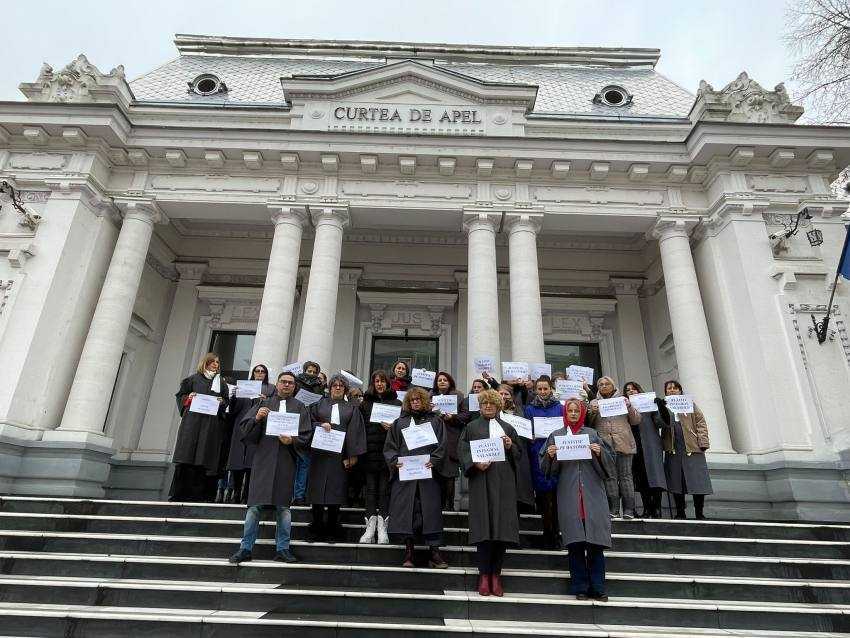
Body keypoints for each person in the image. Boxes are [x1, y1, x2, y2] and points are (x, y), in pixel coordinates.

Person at [229, 371, 311, 564]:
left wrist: (292, 440)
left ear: (294, 387)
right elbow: (245, 430)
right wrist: (257, 418)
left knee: (284, 508)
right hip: (263, 460)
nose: (287, 385)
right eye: (283, 382)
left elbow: (306, 435)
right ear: (277, 384)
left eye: (290, 383)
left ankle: (283, 549)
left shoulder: (299, 407)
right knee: (254, 506)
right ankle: (245, 548)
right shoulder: (263, 403)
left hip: (286, 461)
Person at [541, 398, 614, 601]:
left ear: (581, 413)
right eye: (570, 411)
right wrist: (550, 456)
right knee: (575, 544)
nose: (573, 414)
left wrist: (599, 453)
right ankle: (580, 587)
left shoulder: (592, 434)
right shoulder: (556, 436)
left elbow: (610, 464)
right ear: (565, 413)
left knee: (595, 545)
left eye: (576, 411)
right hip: (569, 494)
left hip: (592, 494)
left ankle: (598, 587)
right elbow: (546, 469)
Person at [458, 389, 521, 597]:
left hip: (504, 484)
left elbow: (519, 455)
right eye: (484, 403)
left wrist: (510, 446)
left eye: (492, 404)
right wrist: (475, 463)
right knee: (483, 529)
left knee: (501, 530)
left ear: (498, 406)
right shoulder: (471, 427)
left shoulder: (508, 428)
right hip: (481, 482)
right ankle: (484, 575)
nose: (488, 406)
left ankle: (496, 575)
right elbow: (463, 451)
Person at [384, 387, 448, 569]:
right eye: (412, 400)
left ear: (424, 401)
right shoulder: (399, 423)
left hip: (429, 475)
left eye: (418, 399)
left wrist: (434, 460)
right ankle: (409, 551)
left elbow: (442, 444)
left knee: (431, 512)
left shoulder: (435, 421)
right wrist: (394, 461)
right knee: (408, 512)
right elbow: (390, 447)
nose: (415, 402)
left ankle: (434, 552)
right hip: (406, 475)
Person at [306, 374, 367, 541]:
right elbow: (307, 423)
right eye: (335, 385)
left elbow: (355, 432)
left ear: (345, 389)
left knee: (336, 491)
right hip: (319, 455)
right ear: (330, 388)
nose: (338, 388)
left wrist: (351, 455)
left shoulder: (352, 409)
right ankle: (317, 526)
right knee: (317, 490)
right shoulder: (317, 405)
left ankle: (332, 529)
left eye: (341, 386)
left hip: (339, 457)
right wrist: (319, 425)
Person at [170, 353, 230, 502]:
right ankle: (181, 493)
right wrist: (188, 398)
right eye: (212, 362)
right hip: (192, 424)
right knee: (187, 454)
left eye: (217, 362)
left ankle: (202, 495)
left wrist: (222, 402)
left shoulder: (221, 383)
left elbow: (226, 401)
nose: (215, 364)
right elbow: (180, 396)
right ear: (205, 363)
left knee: (206, 455)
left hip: (211, 426)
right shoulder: (192, 379)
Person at [587, 375, 640, 519]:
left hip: (624, 443)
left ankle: (629, 509)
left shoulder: (623, 400)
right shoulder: (593, 403)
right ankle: (614, 509)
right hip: (604, 446)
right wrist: (592, 412)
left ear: (613, 386)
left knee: (626, 476)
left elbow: (636, 421)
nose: (604, 386)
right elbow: (589, 424)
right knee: (610, 477)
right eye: (601, 384)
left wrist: (629, 407)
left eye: (607, 384)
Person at [658, 380, 713, 519]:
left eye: (675, 388)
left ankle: (699, 512)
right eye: (669, 388)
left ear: (680, 390)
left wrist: (703, 442)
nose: (672, 390)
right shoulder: (663, 406)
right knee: (676, 481)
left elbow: (700, 422)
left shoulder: (690, 404)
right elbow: (660, 423)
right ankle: (680, 512)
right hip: (674, 448)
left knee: (697, 480)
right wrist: (661, 408)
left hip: (692, 447)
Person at [358, 370, 401, 544]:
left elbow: (402, 429)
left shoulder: (397, 403)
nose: (380, 384)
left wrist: (392, 428)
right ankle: (369, 529)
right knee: (370, 491)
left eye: (383, 381)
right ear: (373, 383)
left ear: (388, 383)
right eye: (377, 381)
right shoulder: (365, 404)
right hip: (369, 453)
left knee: (384, 491)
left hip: (387, 454)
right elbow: (359, 428)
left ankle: (383, 529)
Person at [224, 364, 274, 504]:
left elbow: (275, 407)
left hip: (258, 428)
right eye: (257, 371)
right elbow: (233, 410)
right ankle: (236, 493)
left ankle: (247, 494)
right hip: (241, 426)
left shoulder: (271, 389)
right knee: (237, 461)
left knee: (252, 463)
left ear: (266, 374)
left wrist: (266, 400)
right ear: (253, 373)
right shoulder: (244, 387)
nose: (259, 373)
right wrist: (234, 397)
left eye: (262, 371)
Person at [524, 375, 563, 549]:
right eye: (539, 389)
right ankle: (548, 533)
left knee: (556, 497)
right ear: (535, 390)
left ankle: (556, 533)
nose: (542, 391)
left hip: (557, 454)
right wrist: (530, 436)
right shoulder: (529, 409)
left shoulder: (560, 407)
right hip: (537, 455)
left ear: (551, 389)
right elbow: (526, 430)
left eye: (545, 388)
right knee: (544, 498)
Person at [623, 381, 667, 518]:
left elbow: (661, 423)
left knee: (655, 476)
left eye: (634, 389)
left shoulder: (650, 404)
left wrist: (660, 407)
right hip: (634, 445)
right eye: (628, 390)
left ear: (639, 390)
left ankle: (657, 508)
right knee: (641, 477)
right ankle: (647, 508)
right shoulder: (624, 406)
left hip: (650, 444)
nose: (631, 391)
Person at [431, 372, 465, 510]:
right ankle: (435, 506)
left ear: (450, 382)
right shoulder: (429, 397)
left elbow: (465, 415)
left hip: (451, 439)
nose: (442, 382)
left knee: (450, 475)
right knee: (435, 475)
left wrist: (453, 418)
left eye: (445, 380)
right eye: (439, 380)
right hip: (433, 439)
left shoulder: (459, 397)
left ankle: (449, 506)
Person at [498, 383, 535, 511]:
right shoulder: (493, 412)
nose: (503, 396)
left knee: (519, 483)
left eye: (506, 394)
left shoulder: (520, 410)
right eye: (501, 394)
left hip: (519, 451)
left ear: (512, 396)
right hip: (501, 452)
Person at [292, 361, 323, 506]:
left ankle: (300, 495)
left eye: (314, 372)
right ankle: (290, 493)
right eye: (309, 371)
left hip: (311, 426)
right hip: (295, 424)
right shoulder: (296, 384)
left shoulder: (320, 387)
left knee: (305, 463)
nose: (311, 374)